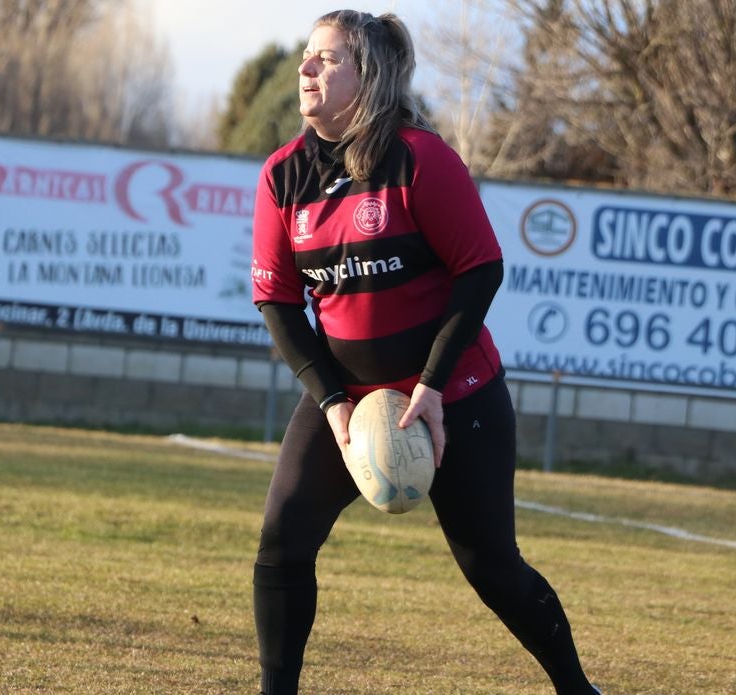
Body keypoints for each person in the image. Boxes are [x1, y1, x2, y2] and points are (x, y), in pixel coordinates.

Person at [249, 9, 598, 695]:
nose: (306, 68)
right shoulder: (281, 177)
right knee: (282, 543)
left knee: (493, 567)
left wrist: (432, 387)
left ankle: (578, 690)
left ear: (369, 76)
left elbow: (481, 270)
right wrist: (330, 400)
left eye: (327, 58)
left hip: (455, 397)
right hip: (346, 400)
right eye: (307, 56)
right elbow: (278, 302)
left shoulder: (421, 159)